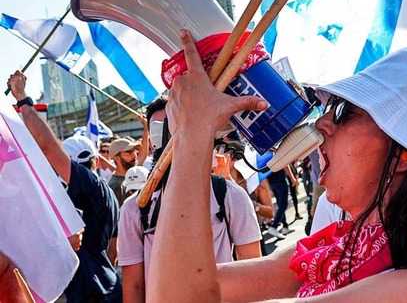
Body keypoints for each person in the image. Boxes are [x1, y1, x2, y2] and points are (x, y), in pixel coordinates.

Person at [147, 30, 407, 302]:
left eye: (343, 113)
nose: (322, 125)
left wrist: (192, 136)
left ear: (405, 154)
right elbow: (186, 285)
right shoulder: (337, 248)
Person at [117, 94, 262, 303]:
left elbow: (252, 272)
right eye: (161, 127)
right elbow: (134, 285)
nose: (168, 134)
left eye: (174, 123)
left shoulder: (229, 196)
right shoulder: (136, 208)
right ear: (151, 142)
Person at [7, 71, 122, 303]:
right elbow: (113, 249)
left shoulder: (90, 185)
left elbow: (47, 147)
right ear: (97, 161)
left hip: (89, 292)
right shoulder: (106, 192)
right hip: (105, 286)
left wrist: (22, 99)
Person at [108, 138, 139, 206]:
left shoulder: (128, 178)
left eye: (134, 151)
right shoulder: (116, 186)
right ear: (117, 159)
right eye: (128, 152)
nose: (135, 156)